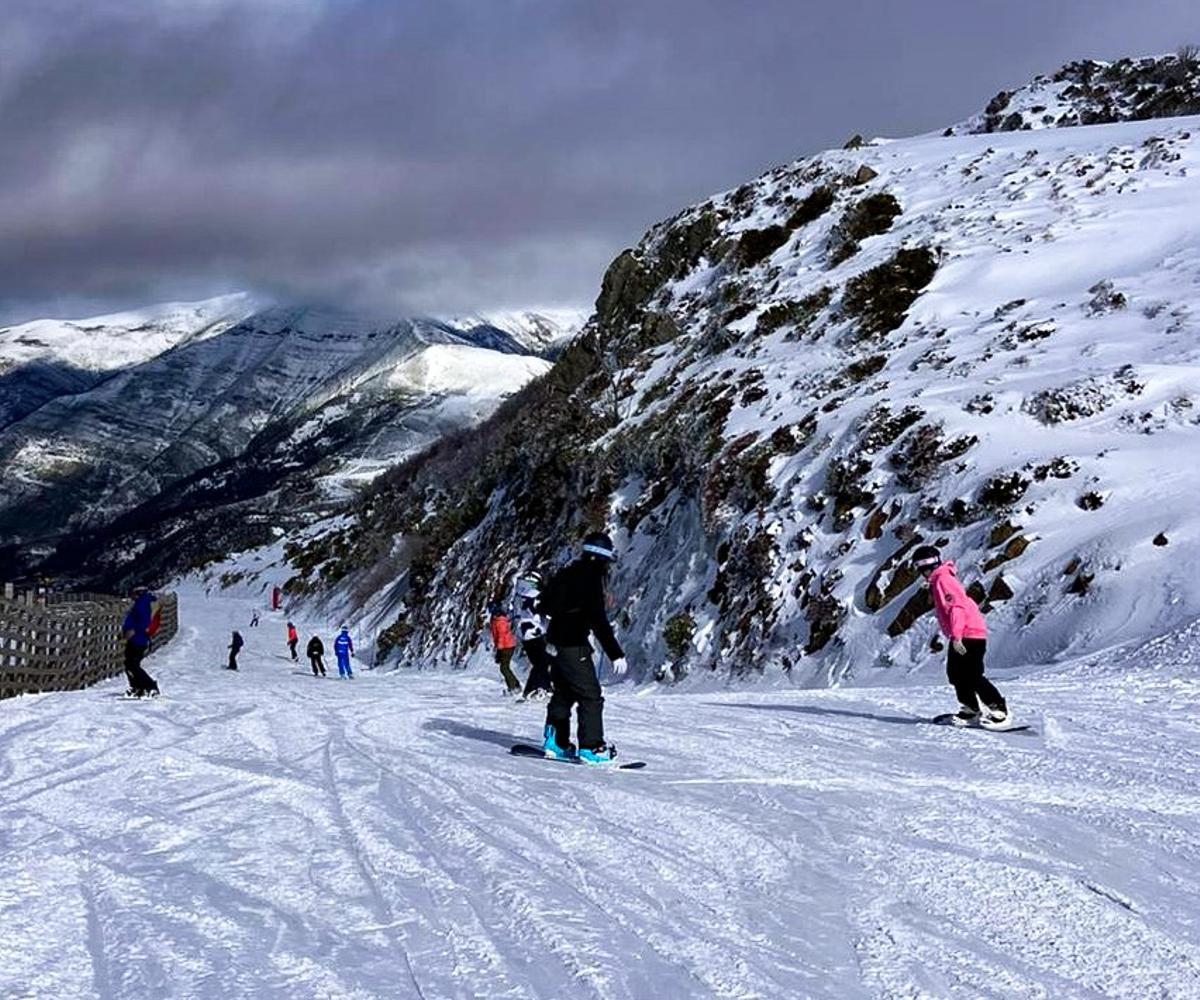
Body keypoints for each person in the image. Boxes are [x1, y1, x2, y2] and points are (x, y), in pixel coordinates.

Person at [539, 531, 628, 764]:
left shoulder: (566, 572)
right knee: (591, 696)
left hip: (555, 643)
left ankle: (556, 742)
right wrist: (615, 653)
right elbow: (598, 620)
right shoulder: (590, 579)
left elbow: (544, 603)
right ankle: (591, 747)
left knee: (565, 692)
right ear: (602, 559)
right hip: (573, 645)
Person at [912, 545, 1011, 728]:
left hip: (968, 633)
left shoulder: (943, 580)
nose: (921, 573)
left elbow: (957, 607)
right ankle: (970, 710)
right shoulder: (939, 580)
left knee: (972, 674)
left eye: (922, 569)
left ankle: (999, 710)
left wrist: (957, 636)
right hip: (962, 633)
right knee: (957, 674)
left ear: (929, 566)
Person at [513, 571, 553, 699]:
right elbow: (543, 610)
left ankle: (535, 689)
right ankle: (542, 688)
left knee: (540, 662)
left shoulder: (520, 595)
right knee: (542, 662)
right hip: (534, 632)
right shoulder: (533, 596)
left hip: (526, 633)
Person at [121, 586, 160, 697]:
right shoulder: (144, 602)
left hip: (138, 638)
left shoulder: (142, 604)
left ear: (138, 593)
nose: (131, 596)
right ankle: (138, 687)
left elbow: (144, 621)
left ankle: (149, 686)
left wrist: (133, 630)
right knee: (131, 663)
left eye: (133, 593)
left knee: (132, 664)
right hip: (138, 637)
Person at [488, 602, 521, 695]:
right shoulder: (496, 620)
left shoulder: (500, 621)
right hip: (506, 646)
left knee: (504, 668)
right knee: (504, 667)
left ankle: (514, 687)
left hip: (507, 646)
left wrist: (499, 650)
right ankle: (514, 685)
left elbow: (502, 636)